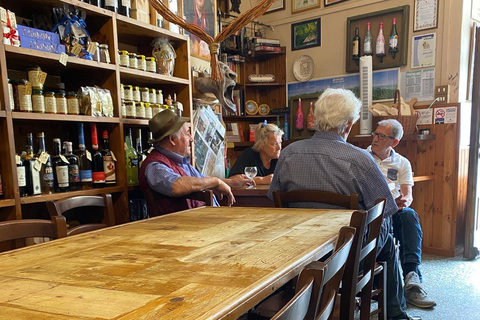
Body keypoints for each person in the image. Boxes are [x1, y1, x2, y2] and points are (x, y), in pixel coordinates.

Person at [268, 88, 420, 320]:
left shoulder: (288, 153)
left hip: (299, 253)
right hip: (348, 258)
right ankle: (396, 315)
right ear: (349, 125)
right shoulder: (361, 159)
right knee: (388, 242)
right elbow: (386, 210)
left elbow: (274, 197)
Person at [368, 119, 436, 308]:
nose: (375, 138)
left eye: (381, 136)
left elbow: (408, 194)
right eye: (375, 133)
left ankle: (411, 278)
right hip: (371, 211)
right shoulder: (363, 157)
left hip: (393, 210)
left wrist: (404, 201)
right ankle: (377, 281)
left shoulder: (402, 163)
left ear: (394, 142)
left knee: (409, 215)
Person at [139, 109, 253, 216]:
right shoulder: (154, 166)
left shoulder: (180, 162)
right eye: (187, 133)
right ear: (172, 139)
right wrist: (216, 181)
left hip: (204, 223)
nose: (191, 139)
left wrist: (231, 182)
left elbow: (201, 180)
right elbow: (177, 186)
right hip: (183, 231)